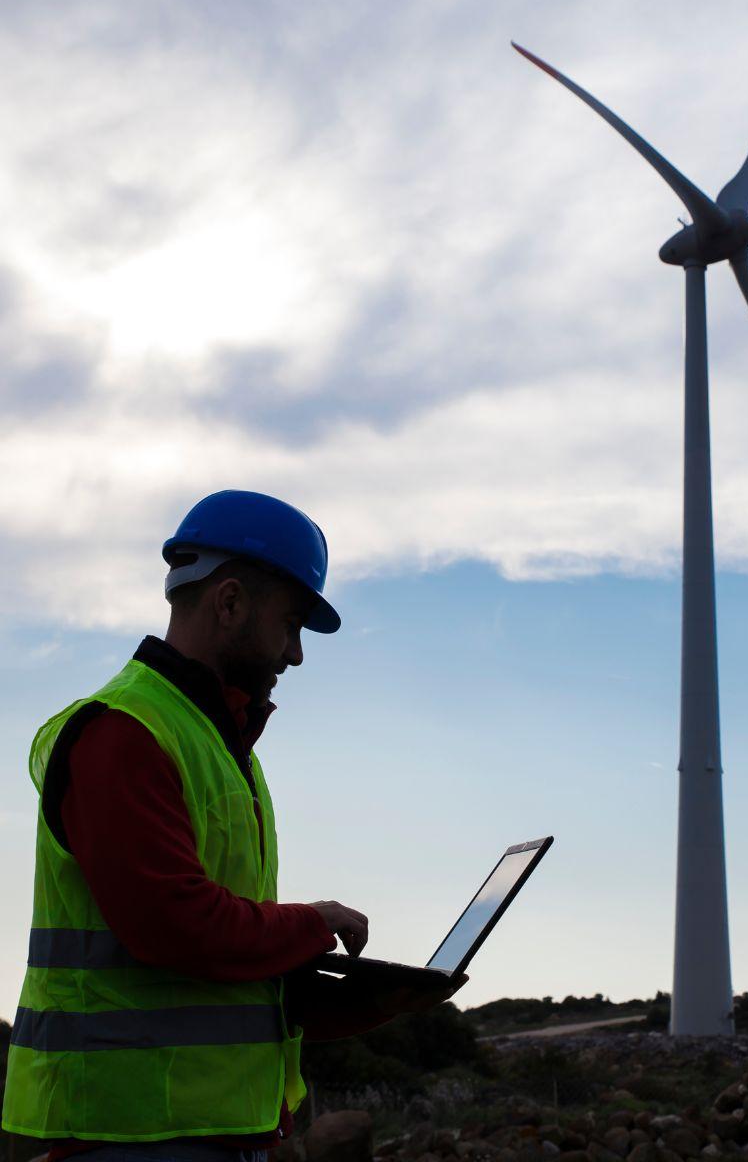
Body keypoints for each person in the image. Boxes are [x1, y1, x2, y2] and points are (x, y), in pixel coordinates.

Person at [2, 490, 464, 1155]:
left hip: (206, 1130)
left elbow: (220, 974)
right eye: (291, 623)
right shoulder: (127, 733)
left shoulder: (221, 748)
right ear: (228, 603)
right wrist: (314, 923)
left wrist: (371, 1003)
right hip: (124, 1133)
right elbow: (173, 926)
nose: (296, 653)